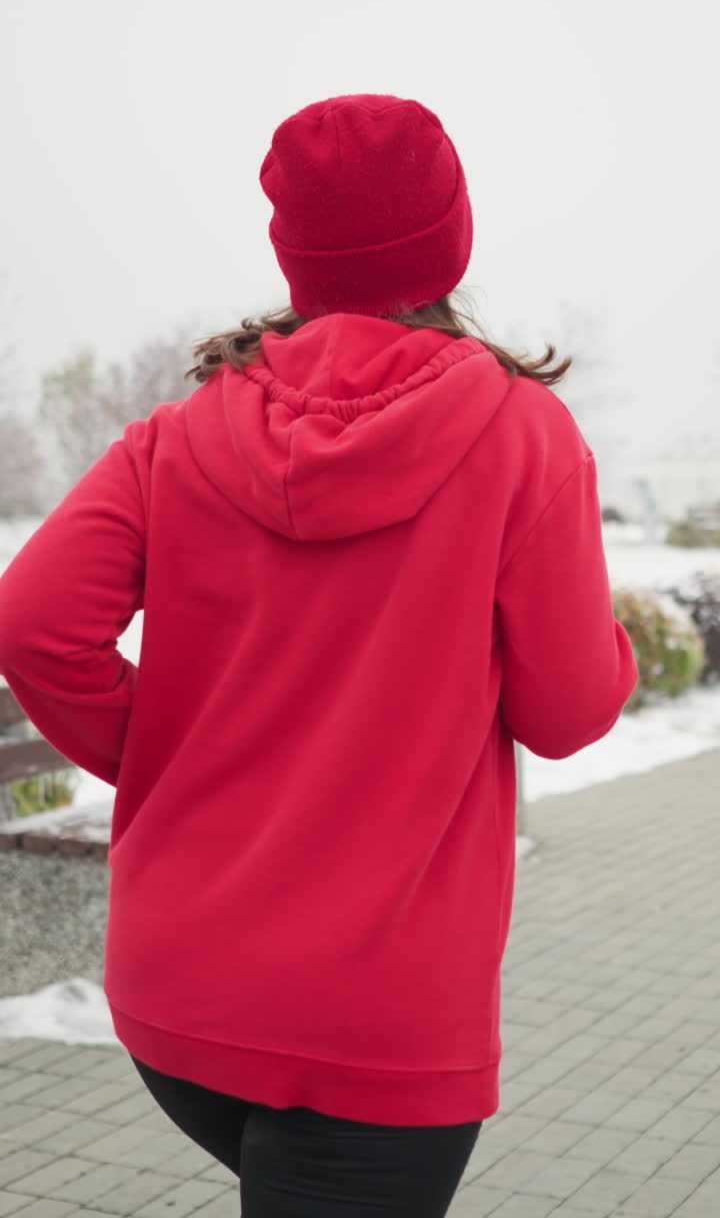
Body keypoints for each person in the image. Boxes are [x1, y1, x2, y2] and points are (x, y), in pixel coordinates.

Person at [0, 93, 639, 1217]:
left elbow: (33, 625)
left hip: (178, 991)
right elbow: (569, 710)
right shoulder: (522, 434)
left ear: (294, 253)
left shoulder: (179, 433)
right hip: (378, 1030)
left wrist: (164, 757)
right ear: (451, 240)